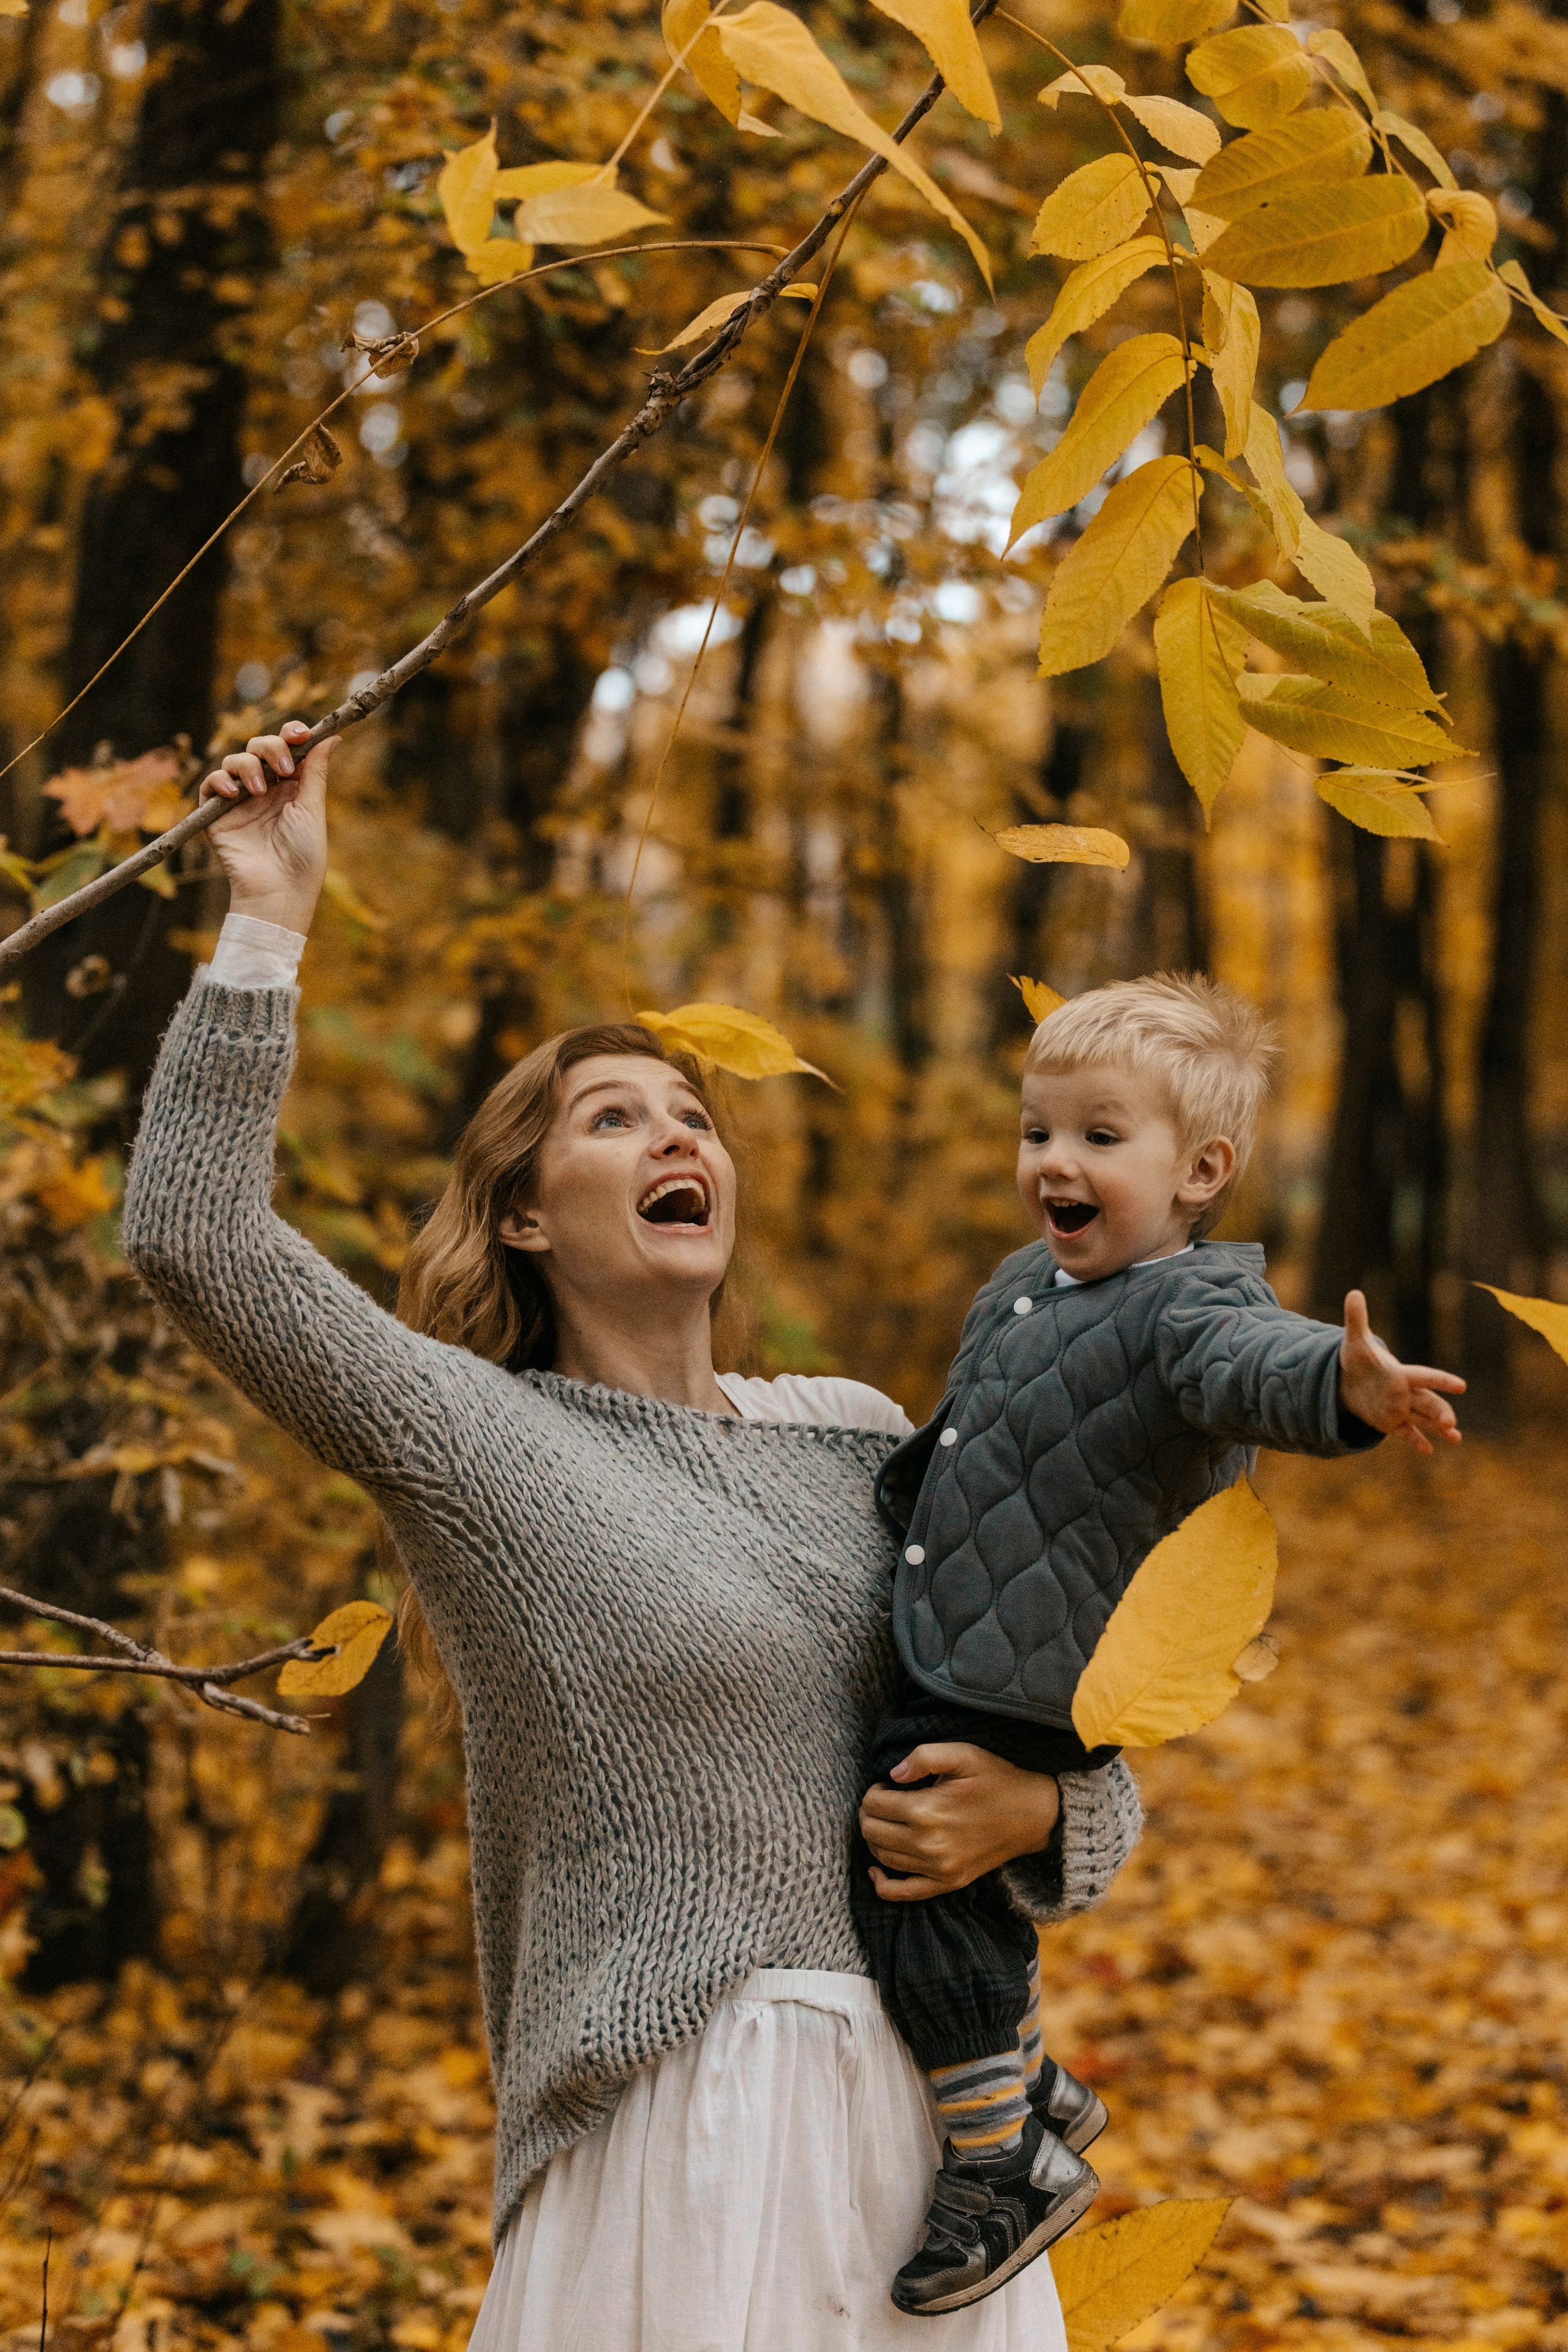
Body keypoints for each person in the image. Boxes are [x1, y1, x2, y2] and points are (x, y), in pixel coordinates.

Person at [121, 720, 1145, 2351]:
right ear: (525, 1212)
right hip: (685, 2137)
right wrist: (269, 914)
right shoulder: (479, 1440)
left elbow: (1083, 1733)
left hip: (949, 2153)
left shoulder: (865, 1436)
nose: (681, 1138)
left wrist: (1047, 1811)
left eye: (696, 1116)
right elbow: (192, 1237)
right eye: (616, 1119)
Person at [859, 973, 1466, 2318]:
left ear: (1201, 1172)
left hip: (1041, 1663)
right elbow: (982, 1435)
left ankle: (998, 2158)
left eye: (1096, 1137)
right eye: (1036, 1133)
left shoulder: (1185, 1307)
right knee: (937, 1880)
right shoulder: (1028, 1283)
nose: (1052, 1165)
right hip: (970, 1634)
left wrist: (1343, 1389)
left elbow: (1255, 1363)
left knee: (910, 1881)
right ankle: (1030, 2080)